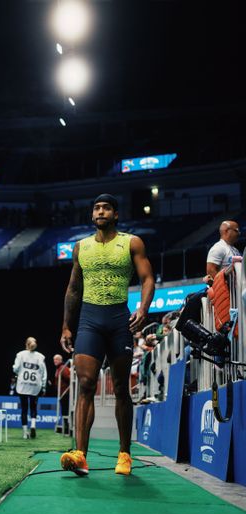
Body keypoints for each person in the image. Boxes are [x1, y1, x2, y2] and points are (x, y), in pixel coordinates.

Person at [60, 193, 155, 476]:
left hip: (118, 320)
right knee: (86, 383)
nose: (100, 211)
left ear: (115, 215)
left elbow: (147, 278)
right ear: (92, 215)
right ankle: (80, 454)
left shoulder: (131, 242)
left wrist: (144, 308)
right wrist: (66, 325)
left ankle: (125, 453)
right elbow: (74, 289)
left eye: (106, 208)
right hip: (89, 320)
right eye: (96, 208)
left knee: (121, 388)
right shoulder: (81, 247)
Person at [12, 337, 47, 439]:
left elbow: (16, 368)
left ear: (26, 344)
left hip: (23, 384)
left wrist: (16, 370)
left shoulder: (20, 354)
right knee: (33, 407)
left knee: (24, 409)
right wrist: (43, 386)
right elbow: (44, 373)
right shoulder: (41, 356)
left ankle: (24, 433)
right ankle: (33, 425)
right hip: (35, 385)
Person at [53, 354, 71, 433]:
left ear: (60, 360)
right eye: (54, 359)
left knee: (65, 410)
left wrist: (66, 391)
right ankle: (65, 427)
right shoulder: (58, 369)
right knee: (64, 411)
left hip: (65, 394)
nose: (55, 361)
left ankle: (67, 428)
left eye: (56, 359)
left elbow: (70, 378)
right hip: (61, 393)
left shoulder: (63, 368)